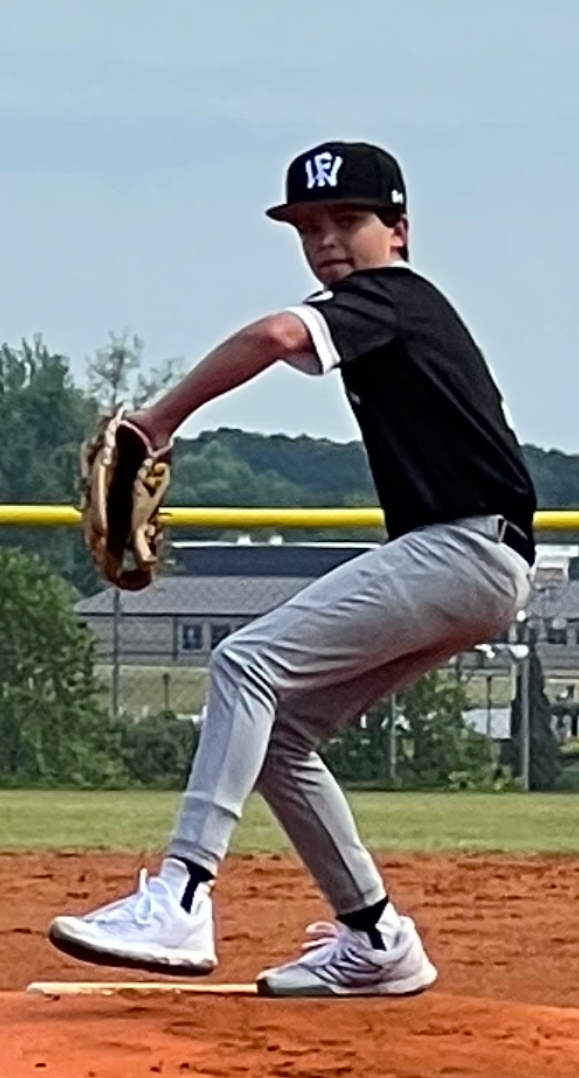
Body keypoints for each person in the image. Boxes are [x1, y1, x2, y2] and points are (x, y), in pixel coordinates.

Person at [49, 140, 536, 997]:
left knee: (244, 662)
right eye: (308, 227)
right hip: (473, 561)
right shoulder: (381, 315)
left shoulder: (395, 296)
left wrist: (157, 422)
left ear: (400, 230)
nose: (326, 240)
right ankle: (376, 938)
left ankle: (181, 896)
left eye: (347, 219)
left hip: (460, 549)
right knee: (278, 734)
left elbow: (275, 335)